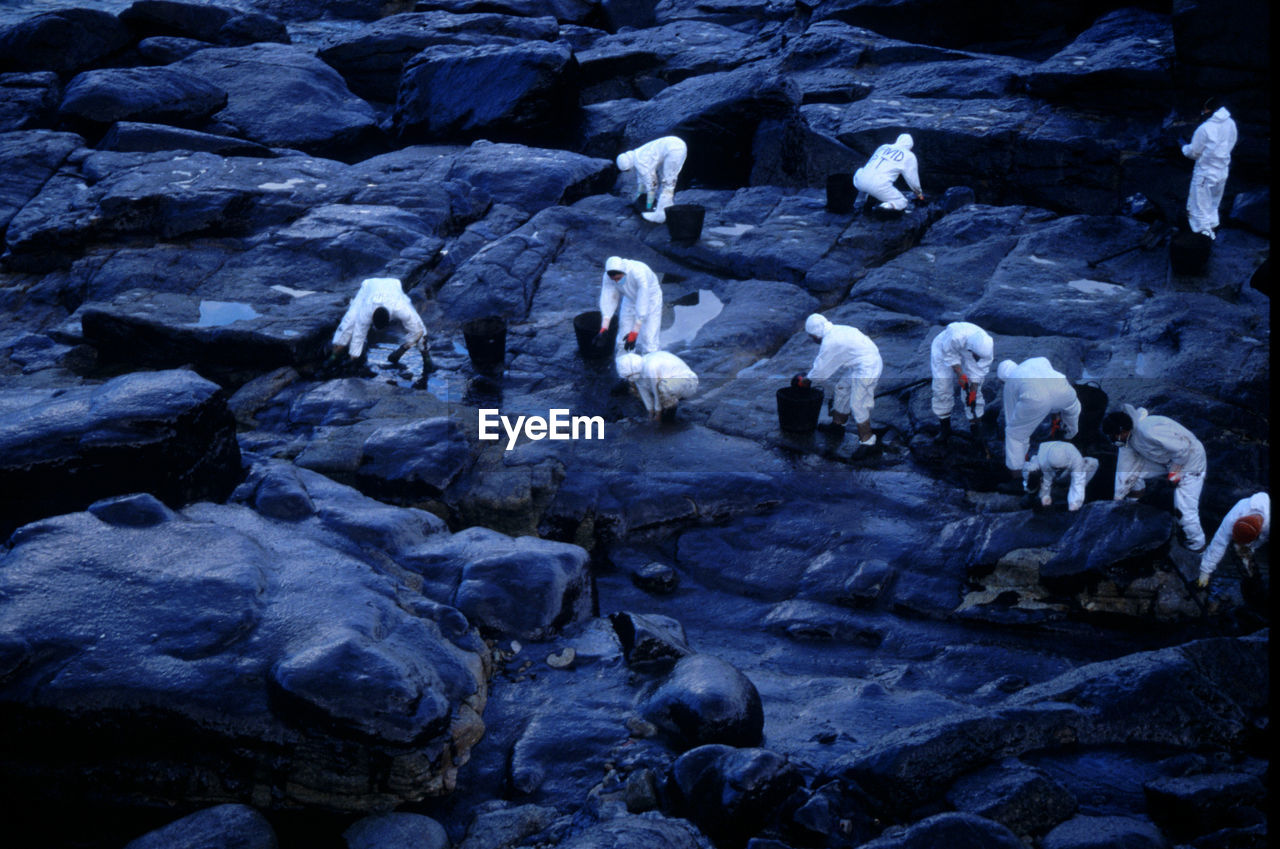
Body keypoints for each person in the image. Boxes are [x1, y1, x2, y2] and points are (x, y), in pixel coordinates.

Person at [1102, 404, 1207, 551]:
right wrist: (1118, 499)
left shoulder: (1148, 430)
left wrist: (1175, 472)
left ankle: (1197, 546)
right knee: (1133, 476)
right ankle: (1134, 502)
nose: (1113, 439)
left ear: (1123, 430)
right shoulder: (1128, 439)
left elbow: (1184, 448)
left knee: (1183, 511)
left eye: (1113, 435)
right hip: (1166, 460)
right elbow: (1125, 469)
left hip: (1191, 460)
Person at [796, 313, 882, 446]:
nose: (812, 339)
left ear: (816, 334)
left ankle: (868, 443)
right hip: (860, 364)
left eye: (811, 336)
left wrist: (806, 380)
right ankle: (837, 426)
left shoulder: (830, 341)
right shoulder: (838, 329)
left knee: (858, 405)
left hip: (868, 367)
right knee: (842, 388)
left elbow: (821, 371)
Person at [330, 276, 430, 374]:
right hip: (368, 288)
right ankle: (333, 356)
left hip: (393, 288)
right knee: (349, 321)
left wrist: (403, 348)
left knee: (419, 325)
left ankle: (427, 360)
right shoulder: (366, 311)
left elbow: (418, 330)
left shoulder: (402, 309)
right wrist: (354, 356)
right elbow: (359, 334)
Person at [997, 357, 1081, 473]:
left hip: (1036, 399)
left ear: (1003, 379)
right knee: (1072, 408)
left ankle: (1017, 472)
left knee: (1014, 434)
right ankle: (1069, 437)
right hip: (1063, 389)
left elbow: (1011, 417)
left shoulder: (1010, 383)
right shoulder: (1037, 360)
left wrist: (1019, 433)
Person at [1181, 97, 1237, 239]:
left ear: (1208, 110)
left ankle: (1202, 239)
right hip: (1222, 171)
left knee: (1199, 208)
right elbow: (1231, 143)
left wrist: (1183, 147)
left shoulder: (1205, 128)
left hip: (1205, 173)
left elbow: (1194, 152)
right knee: (1213, 206)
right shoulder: (1231, 123)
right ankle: (1212, 232)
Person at [930, 321, 994, 439]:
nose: (977, 358)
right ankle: (945, 428)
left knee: (975, 392)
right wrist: (960, 374)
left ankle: (975, 427)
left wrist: (973, 393)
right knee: (942, 386)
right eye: (976, 355)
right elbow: (949, 355)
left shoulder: (986, 350)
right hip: (944, 348)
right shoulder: (956, 335)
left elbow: (978, 372)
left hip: (967, 352)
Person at [1198, 492, 1268, 587]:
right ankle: (1249, 575)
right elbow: (1219, 542)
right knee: (1239, 551)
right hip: (1250, 535)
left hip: (1261, 537)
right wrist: (1205, 571)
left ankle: (1254, 579)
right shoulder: (1237, 513)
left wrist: (1253, 546)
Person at [597, 256, 663, 356]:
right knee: (623, 335)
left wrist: (635, 331)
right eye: (613, 279)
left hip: (650, 298)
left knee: (649, 338)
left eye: (618, 278)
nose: (616, 282)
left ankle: (650, 363)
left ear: (624, 272)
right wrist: (604, 327)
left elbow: (643, 299)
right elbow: (608, 298)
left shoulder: (638, 273)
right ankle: (625, 364)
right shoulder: (607, 276)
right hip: (630, 298)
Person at [616, 136, 688, 224]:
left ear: (628, 165)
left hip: (674, 150)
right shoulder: (637, 154)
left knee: (668, 182)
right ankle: (666, 206)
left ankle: (661, 214)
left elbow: (651, 182)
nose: (628, 171)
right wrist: (641, 195)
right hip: (675, 144)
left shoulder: (640, 162)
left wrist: (649, 204)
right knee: (664, 177)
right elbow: (641, 178)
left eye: (627, 170)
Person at [616, 351, 698, 421]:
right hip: (669, 382)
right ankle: (664, 405)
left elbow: (655, 388)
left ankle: (670, 414)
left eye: (630, 376)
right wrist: (650, 412)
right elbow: (642, 390)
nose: (629, 378)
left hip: (688, 381)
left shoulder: (651, 366)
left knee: (663, 387)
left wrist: (658, 414)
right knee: (634, 387)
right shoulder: (638, 367)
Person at [853, 133, 924, 212]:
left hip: (859, 180)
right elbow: (912, 179)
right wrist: (919, 193)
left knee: (863, 172)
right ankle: (882, 208)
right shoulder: (909, 156)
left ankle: (860, 201)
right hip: (878, 185)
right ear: (910, 145)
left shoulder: (883, 147)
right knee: (902, 202)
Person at [1022, 441, 1099, 512]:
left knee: (1092, 462)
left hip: (1066, 477)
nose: (1058, 469)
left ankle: (1066, 493)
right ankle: (1031, 496)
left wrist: (1075, 504)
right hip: (1046, 479)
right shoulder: (1039, 460)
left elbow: (1078, 481)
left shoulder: (1075, 459)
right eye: (1055, 468)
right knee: (1032, 473)